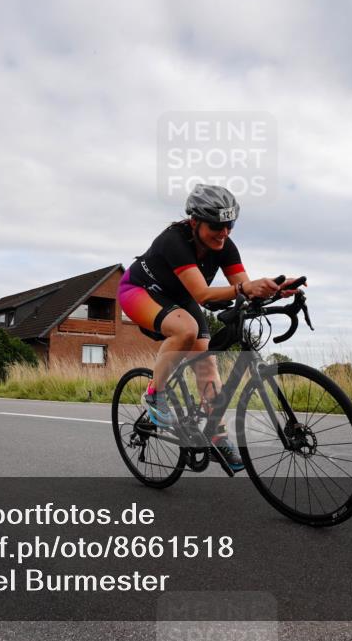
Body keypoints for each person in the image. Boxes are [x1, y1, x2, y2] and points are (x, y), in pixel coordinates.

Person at [118, 184, 298, 471]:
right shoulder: (173, 241)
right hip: (139, 291)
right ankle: (155, 394)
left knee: (206, 360)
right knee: (186, 330)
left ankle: (216, 435)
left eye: (230, 224)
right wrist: (244, 287)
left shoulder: (224, 245)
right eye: (216, 225)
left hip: (179, 298)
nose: (224, 232)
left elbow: (243, 289)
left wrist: (275, 290)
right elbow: (203, 295)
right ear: (195, 222)